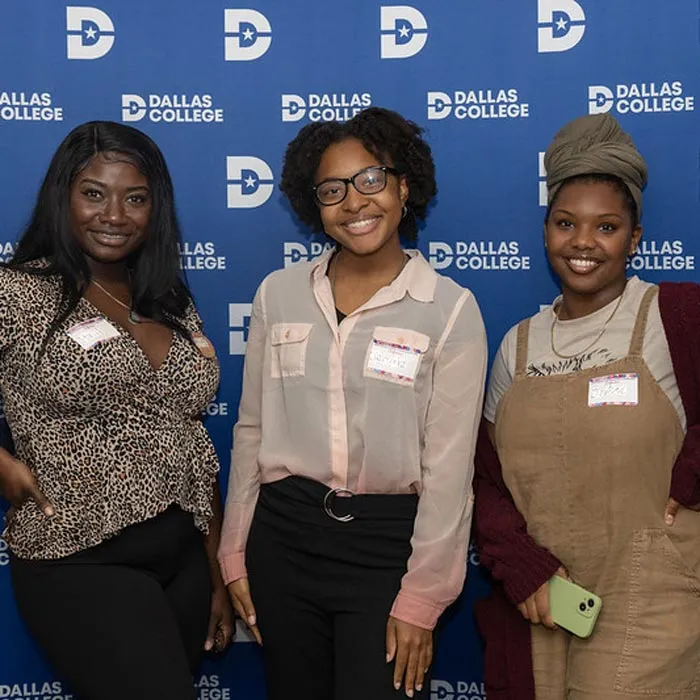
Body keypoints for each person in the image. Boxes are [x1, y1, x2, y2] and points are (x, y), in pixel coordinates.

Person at [218, 106, 487, 700]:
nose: (355, 203)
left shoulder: (449, 309)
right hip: (282, 541)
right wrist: (234, 551)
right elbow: (252, 430)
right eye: (332, 190)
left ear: (404, 185)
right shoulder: (278, 294)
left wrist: (423, 596)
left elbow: (448, 472)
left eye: (371, 179)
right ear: (312, 203)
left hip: (386, 550)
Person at [0, 121, 233, 700]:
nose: (115, 214)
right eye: (94, 193)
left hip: (183, 559)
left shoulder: (169, 299)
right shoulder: (16, 292)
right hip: (80, 556)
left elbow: (194, 446)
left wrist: (216, 575)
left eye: (135, 198)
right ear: (63, 196)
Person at [473, 113, 700, 700]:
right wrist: (523, 568)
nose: (582, 242)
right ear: (545, 230)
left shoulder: (674, 316)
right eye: (566, 223)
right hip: (547, 603)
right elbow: (484, 479)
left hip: (652, 595)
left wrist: (691, 478)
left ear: (635, 239)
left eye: (607, 226)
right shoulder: (516, 344)